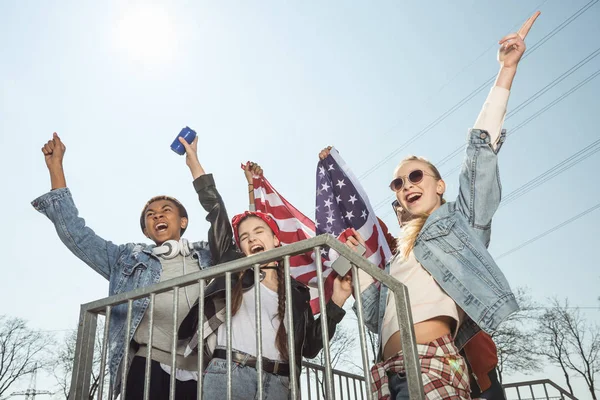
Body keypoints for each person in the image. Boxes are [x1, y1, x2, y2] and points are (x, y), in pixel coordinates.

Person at [343, 12, 540, 399]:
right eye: (398, 183)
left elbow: (479, 158)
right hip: (386, 371)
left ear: (439, 186)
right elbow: (373, 315)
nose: (406, 185)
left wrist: (506, 72)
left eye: (416, 176)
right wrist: (360, 270)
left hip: (433, 360)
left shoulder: (459, 225)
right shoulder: (400, 253)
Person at [32, 133, 231, 399]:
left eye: (165, 210)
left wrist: (193, 162)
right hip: (147, 368)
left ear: (183, 222)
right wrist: (56, 168)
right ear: (147, 232)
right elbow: (76, 234)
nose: (157, 214)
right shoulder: (127, 260)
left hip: (201, 375)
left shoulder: (207, 256)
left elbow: (221, 221)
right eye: (150, 215)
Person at [179, 165, 353, 398]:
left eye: (259, 231)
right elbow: (215, 210)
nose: (252, 239)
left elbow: (311, 347)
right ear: (239, 247)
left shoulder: (297, 292)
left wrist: (338, 298)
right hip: (229, 374)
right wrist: (193, 161)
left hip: (280, 383)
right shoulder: (235, 270)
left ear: (275, 240)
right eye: (244, 237)